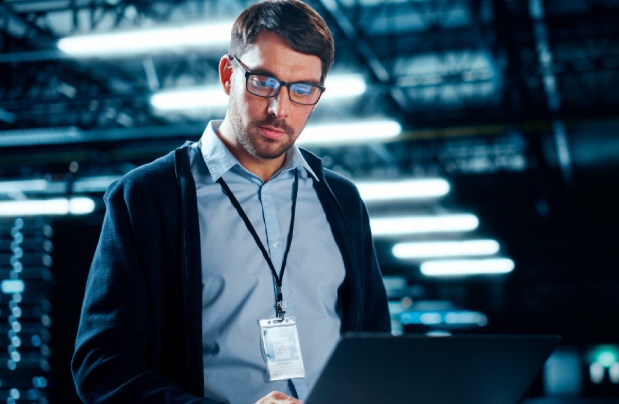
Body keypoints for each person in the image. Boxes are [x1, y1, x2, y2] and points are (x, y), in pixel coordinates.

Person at [70, 0, 391, 402]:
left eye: (302, 90)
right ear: (228, 75)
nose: (279, 109)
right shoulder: (149, 199)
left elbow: (376, 344)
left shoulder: (341, 201)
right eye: (263, 81)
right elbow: (101, 363)